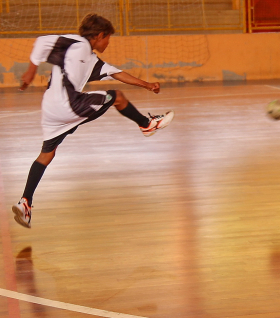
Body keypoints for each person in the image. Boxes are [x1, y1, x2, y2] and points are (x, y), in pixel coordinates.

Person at [12, 13, 174, 228]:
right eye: (108, 38)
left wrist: (146, 84)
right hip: (68, 104)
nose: (108, 43)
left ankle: (25, 204)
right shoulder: (76, 43)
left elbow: (116, 73)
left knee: (46, 154)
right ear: (99, 35)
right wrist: (31, 71)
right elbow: (42, 41)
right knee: (116, 97)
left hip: (50, 110)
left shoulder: (90, 58)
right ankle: (147, 125)